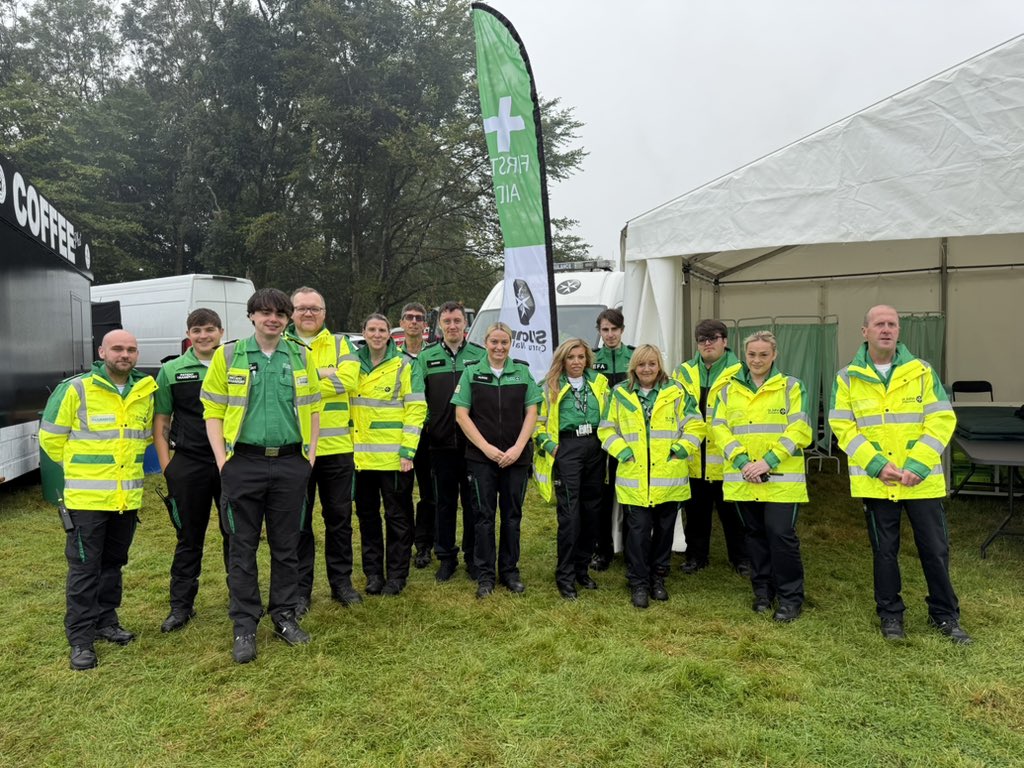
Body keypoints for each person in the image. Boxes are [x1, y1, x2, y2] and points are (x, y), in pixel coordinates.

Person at [829, 305, 970, 644]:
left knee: (935, 550)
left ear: (899, 331)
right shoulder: (847, 376)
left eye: (892, 324)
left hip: (921, 482)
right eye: (879, 324)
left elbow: (941, 419)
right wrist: (876, 464)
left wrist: (918, 465)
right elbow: (843, 426)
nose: (886, 329)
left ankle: (945, 615)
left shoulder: (921, 370)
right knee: (884, 552)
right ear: (865, 332)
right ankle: (891, 615)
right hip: (878, 483)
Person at [202, 288, 322, 664]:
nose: (273, 318)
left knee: (287, 549)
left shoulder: (301, 356)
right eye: (265, 312)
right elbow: (213, 412)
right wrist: (223, 461)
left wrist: (310, 458)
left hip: (290, 464)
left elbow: (314, 409)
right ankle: (244, 625)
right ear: (252, 316)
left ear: (287, 319)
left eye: (280, 313)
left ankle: (284, 616)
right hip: (243, 464)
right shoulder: (228, 355)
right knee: (242, 549)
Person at [40, 330, 157, 671]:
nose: (125, 354)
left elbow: (144, 437)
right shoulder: (77, 389)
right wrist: (81, 472)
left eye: (131, 349)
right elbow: (51, 440)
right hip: (87, 500)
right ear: (102, 351)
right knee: (84, 570)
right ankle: (80, 639)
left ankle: (107, 621)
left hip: (126, 498)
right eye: (118, 348)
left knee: (113, 564)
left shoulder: (144, 391)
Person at [712, 331, 812, 622]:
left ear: (774, 355)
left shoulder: (791, 386)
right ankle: (762, 592)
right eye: (752, 354)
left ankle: (791, 597)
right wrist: (744, 462)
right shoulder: (728, 389)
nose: (757, 360)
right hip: (744, 477)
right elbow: (719, 428)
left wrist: (767, 462)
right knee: (754, 536)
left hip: (782, 478)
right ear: (745, 355)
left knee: (780, 535)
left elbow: (800, 429)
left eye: (763, 355)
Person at [598, 345, 703, 608]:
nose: (647, 369)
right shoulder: (620, 393)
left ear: (660, 366)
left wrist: (680, 450)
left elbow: (695, 424)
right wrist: (623, 452)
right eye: (642, 364)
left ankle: (658, 578)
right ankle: (638, 582)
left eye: (652, 364)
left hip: (668, 475)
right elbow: (606, 429)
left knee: (665, 531)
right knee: (638, 532)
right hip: (635, 476)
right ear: (634, 366)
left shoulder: (676, 391)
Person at [153, 309, 229, 634]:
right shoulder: (171, 370)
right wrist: (167, 467)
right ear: (189, 334)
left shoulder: (235, 365)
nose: (203, 336)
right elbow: (161, 422)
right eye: (197, 330)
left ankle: (242, 601)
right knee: (188, 538)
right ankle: (181, 607)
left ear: (220, 332)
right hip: (188, 464)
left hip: (230, 463)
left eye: (209, 330)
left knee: (237, 535)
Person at [453, 322, 542, 598]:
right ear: (486, 342)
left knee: (512, 517)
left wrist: (518, 447)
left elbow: (532, 413)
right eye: (494, 342)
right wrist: (487, 448)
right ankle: (485, 575)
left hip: (517, 458)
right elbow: (461, 415)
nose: (499, 347)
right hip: (481, 459)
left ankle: (509, 571)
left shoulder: (523, 372)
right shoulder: (471, 373)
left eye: (504, 342)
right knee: (483, 517)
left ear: (510, 344)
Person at [288, 287, 362, 615]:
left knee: (339, 519)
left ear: (324, 313)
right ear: (291, 313)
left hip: (336, 448)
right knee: (299, 523)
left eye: (314, 308)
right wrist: (323, 375)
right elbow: (281, 384)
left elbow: (349, 382)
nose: (308, 313)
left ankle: (341, 583)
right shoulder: (281, 344)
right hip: (297, 450)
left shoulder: (341, 344)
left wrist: (305, 379)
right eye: (302, 308)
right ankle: (301, 590)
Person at [351, 313, 427, 596]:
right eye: (371, 329)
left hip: (395, 457)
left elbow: (416, 409)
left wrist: (408, 450)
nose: (377, 334)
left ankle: (396, 575)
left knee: (397, 517)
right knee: (367, 517)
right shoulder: (350, 364)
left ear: (389, 334)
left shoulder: (405, 365)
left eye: (382, 329)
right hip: (360, 458)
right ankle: (373, 574)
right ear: (364, 332)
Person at [411, 301, 486, 582]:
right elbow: (419, 397)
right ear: (439, 325)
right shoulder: (426, 357)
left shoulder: (479, 355)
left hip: (472, 445)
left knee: (472, 502)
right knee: (443, 502)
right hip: (439, 444)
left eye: (457, 321)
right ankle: (446, 557)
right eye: (447, 321)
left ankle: (472, 556)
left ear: (465, 324)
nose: (452, 326)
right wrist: (431, 426)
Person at [672, 319, 751, 576]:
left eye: (713, 338)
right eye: (702, 339)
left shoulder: (741, 370)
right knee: (695, 513)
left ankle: (741, 559)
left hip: (729, 457)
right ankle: (696, 557)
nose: (707, 343)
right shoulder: (682, 372)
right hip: (694, 456)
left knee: (734, 515)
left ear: (725, 341)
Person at [534, 338, 610, 599]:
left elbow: (611, 414)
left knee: (592, 511)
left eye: (580, 357)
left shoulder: (599, 383)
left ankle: (582, 569)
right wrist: (550, 445)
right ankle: (564, 575)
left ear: (587, 358)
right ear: (562, 360)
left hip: (595, 448)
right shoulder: (549, 386)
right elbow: (537, 423)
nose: (576, 362)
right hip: (567, 448)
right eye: (571, 357)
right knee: (569, 515)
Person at [590, 308, 634, 570]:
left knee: (629, 496)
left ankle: (632, 549)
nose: (610, 335)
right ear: (599, 332)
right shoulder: (591, 359)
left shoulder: (635, 356)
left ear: (622, 330)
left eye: (614, 329)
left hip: (629, 437)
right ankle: (602, 550)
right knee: (601, 497)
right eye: (605, 330)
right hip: (600, 437)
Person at [397, 302, 436, 570]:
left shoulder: (433, 355)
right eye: (409, 317)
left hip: (430, 436)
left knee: (429, 494)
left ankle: (424, 545)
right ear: (401, 322)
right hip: (400, 435)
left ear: (425, 325)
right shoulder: (392, 357)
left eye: (418, 318)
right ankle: (404, 541)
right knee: (401, 493)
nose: (413, 322)